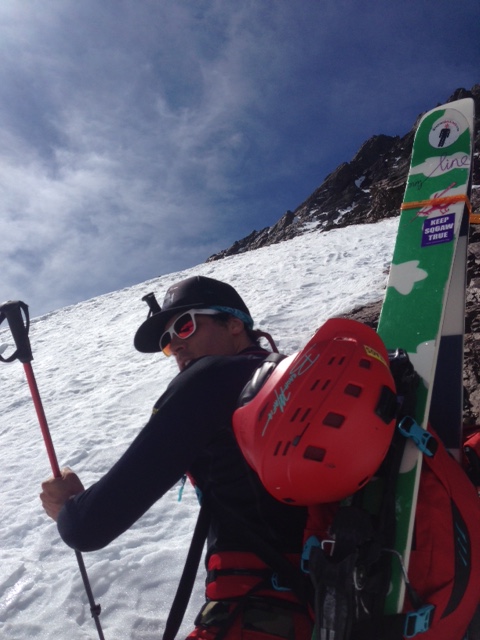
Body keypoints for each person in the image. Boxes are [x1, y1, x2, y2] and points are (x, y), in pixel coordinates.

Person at [40, 275, 314, 640]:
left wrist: (69, 507)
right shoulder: (295, 376)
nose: (176, 345)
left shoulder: (209, 379)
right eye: (168, 342)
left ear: (234, 324)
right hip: (333, 592)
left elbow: (90, 526)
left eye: (185, 326)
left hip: (256, 608)